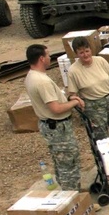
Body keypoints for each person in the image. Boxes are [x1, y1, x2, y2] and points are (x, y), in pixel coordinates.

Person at [24, 44, 83, 191]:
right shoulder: (42, 81)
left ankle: (70, 194)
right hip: (58, 127)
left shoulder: (31, 76)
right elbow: (56, 108)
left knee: (61, 162)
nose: (50, 58)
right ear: (42, 58)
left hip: (49, 126)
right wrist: (75, 102)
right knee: (68, 163)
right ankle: (75, 199)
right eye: (48, 55)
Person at [66, 38, 109, 142]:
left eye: (87, 51)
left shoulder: (101, 61)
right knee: (101, 138)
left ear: (91, 50)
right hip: (93, 107)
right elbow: (73, 94)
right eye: (81, 52)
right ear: (76, 54)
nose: (85, 55)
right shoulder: (73, 71)